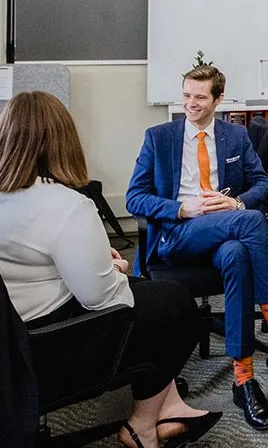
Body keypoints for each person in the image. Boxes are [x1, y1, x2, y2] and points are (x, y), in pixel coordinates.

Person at [0, 91, 221, 448]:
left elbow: (27, 258)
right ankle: (142, 426)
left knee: (151, 293)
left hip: (13, 328)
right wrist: (114, 266)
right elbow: (101, 298)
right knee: (175, 305)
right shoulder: (66, 205)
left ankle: (171, 406)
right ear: (63, 142)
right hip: (43, 343)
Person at [125, 66, 268, 431]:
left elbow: (263, 184)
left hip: (223, 233)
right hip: (178, 234)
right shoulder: (159, 138)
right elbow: (134, 198)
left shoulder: (235, 136)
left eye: (200, 97)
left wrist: (235, 203)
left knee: (236, 252)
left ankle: (243, 380)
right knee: (251, 222)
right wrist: (182, 209)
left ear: (218, 99)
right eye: (186, 95)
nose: (190, 104)